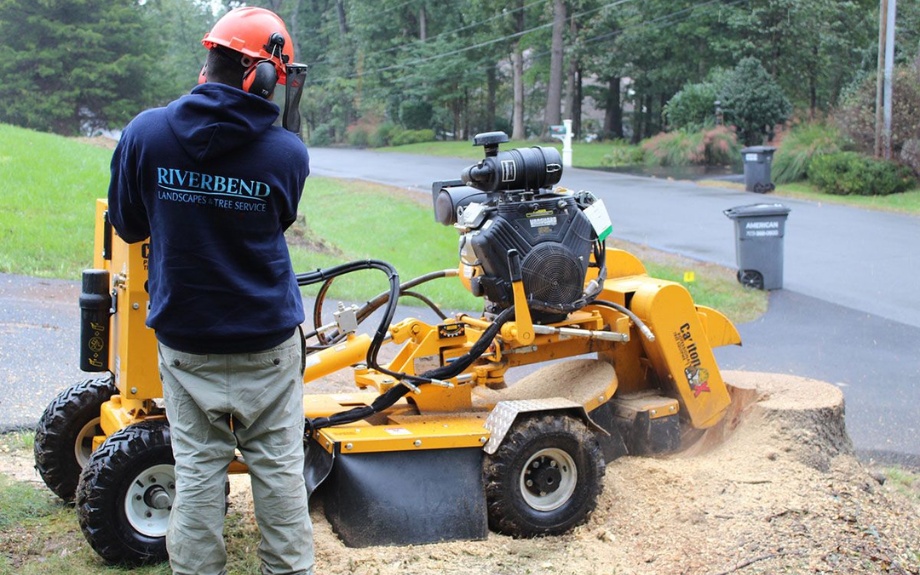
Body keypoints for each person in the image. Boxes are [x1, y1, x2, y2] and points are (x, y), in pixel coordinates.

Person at [106, 7, 313, 575]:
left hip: (186, 341)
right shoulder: (287, 154)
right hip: (267, 345)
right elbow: (279, 218)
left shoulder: (146, 133)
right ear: (262, 75)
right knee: (278, 471)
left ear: (212, 60)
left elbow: (128, 224)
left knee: (197, 471)